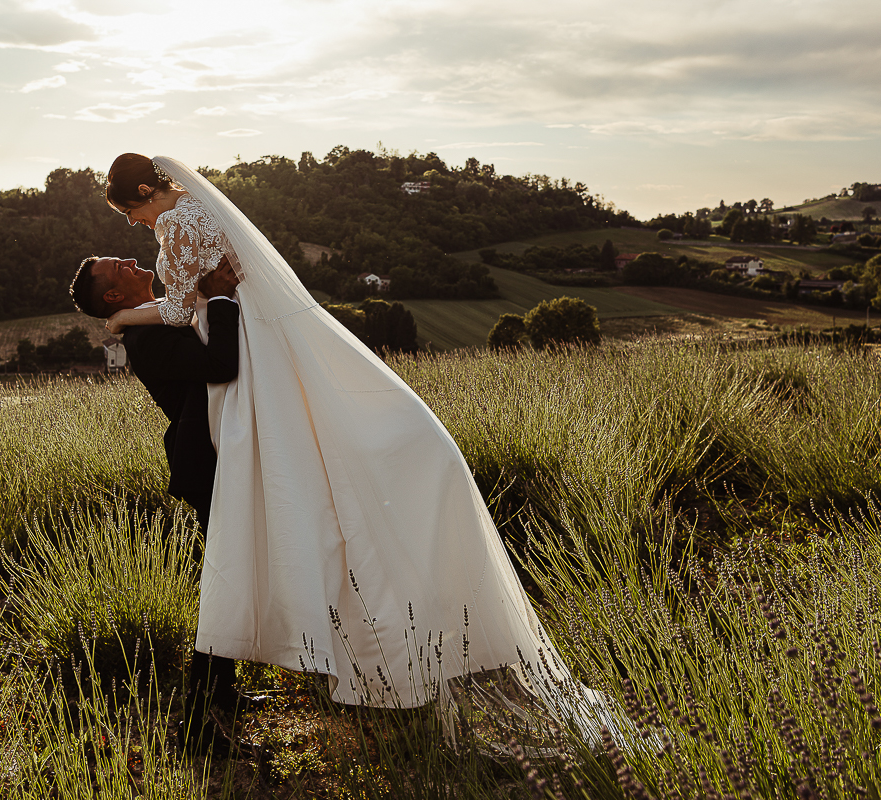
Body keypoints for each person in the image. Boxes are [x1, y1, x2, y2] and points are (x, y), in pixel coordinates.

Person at [99, 153, 633, 748]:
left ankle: (246, 686)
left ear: (144, 191)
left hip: (240, 361)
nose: (134, 226)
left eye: (130, 212)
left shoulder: (175, 224)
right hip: (256, 344)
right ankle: (269, 674)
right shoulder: (198, 209)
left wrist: (123, 317)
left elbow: (182, 310)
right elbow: (204, 301)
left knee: (263, 527)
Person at [70, 254, 256, 756]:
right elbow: (221, 366)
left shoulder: (153, 319)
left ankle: (222, 693)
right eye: (119, 267)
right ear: (113, 295)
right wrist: (221, 298)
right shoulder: (146, 338)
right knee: (223, 582)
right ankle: (196, 724)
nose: (133, 260)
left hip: (219, 455)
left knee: (229, 577)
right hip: (207, 463)